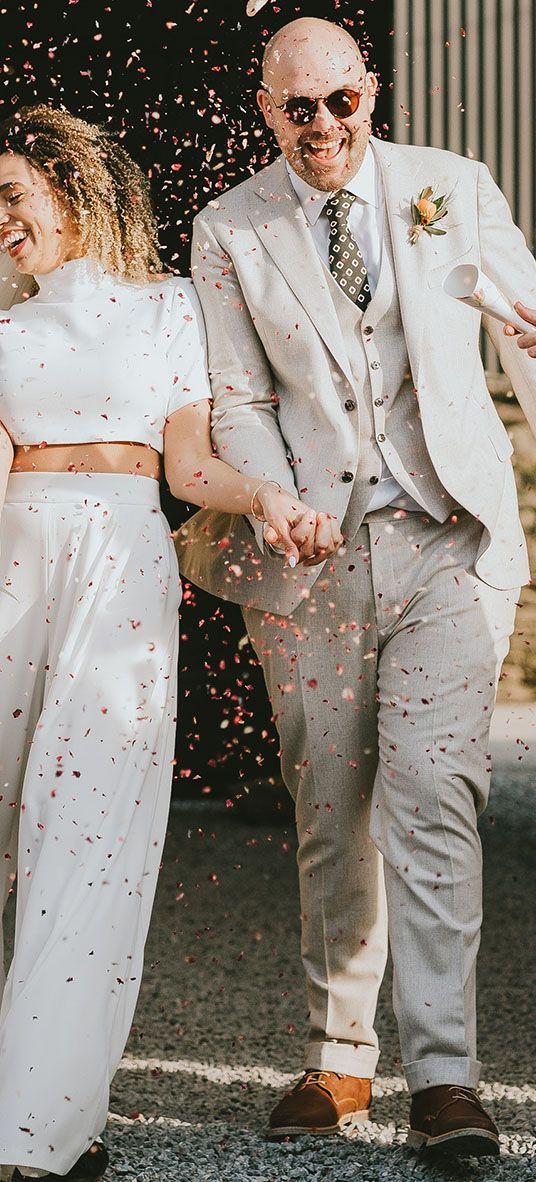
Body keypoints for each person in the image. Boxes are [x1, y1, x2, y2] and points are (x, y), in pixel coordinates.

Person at [178, 16, 536, 1159]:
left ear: (370, 92)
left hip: (445, 535)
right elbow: (233, 393)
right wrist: (276, 503)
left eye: (342, 101)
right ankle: (337, 1064)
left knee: (434, 792)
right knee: (331, 811)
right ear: (265, 108)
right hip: (310, 552)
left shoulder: (450, 185)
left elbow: (524, 319)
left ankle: (445, 1077)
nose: (323, 125)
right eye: (299, 107)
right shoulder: (227, 228)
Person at [0, 104, 338, 1182]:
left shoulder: (166, 308)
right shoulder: (0, 327)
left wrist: (272, 499)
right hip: (13, 566)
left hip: (121, 572)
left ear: (70, 186)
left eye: (12, 194)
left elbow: (188, 468)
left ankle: (38, 1129)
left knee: (87, 839)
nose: (0, 220)